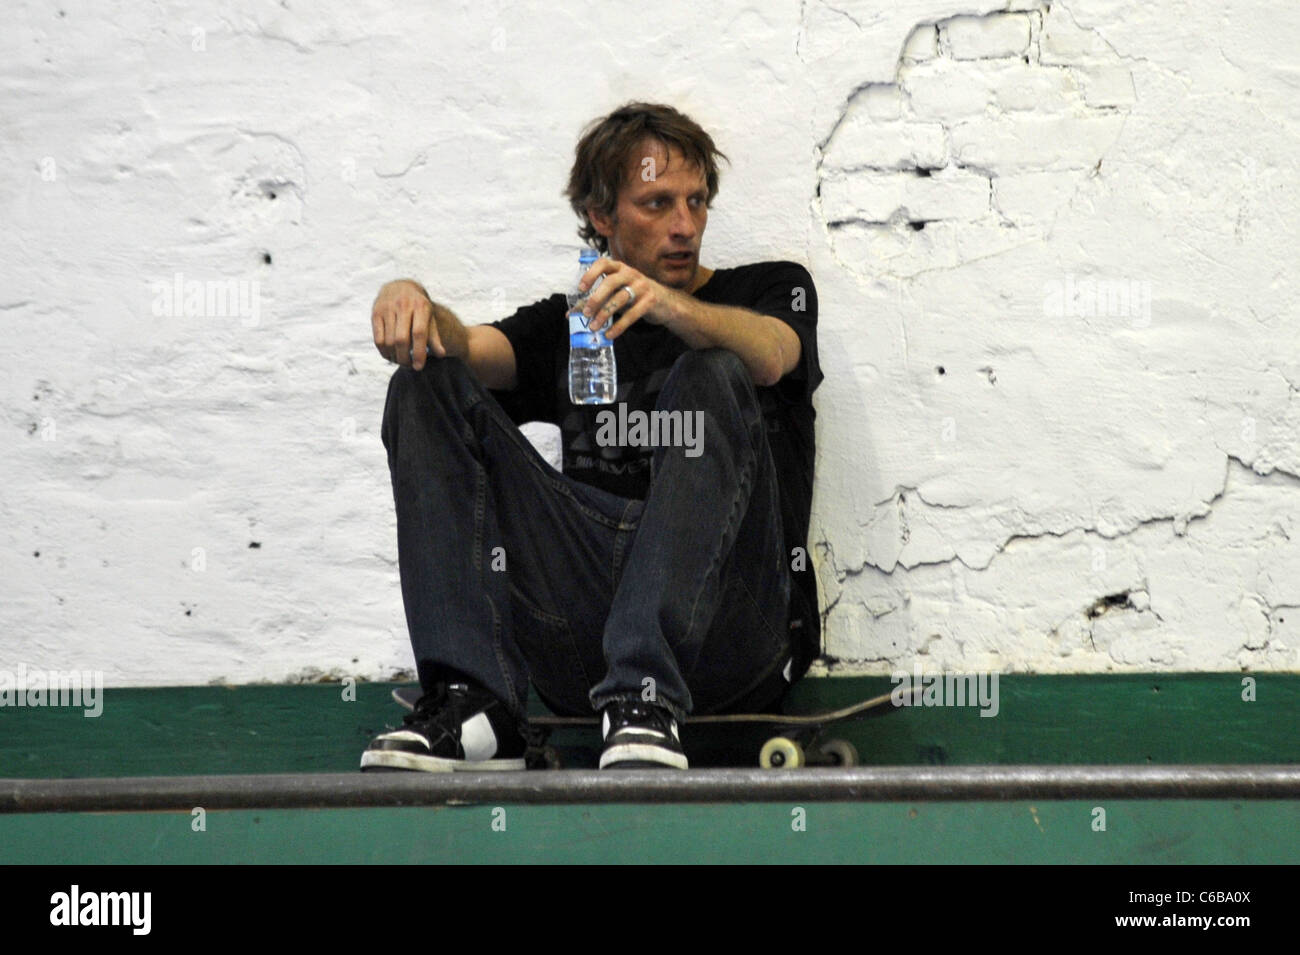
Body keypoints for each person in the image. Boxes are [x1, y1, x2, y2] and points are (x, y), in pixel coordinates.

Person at [362, 102, 823, 771]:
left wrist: (670, 309)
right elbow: (464, 347)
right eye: (658, 204)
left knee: (712, 370)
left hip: (730, 627)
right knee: (424, 382)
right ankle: (476, 702)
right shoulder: (571, 324)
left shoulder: (769, 290)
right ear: (602, 217)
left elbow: (773, 354)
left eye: (696, 202)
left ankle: (648, 690)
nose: (685, 226)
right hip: (586, 637)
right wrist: (416, 302)